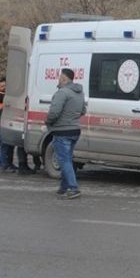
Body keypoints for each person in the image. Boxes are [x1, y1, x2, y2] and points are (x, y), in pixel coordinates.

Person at [45, 68, 86, 199]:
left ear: (63, 78)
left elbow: (54, 112)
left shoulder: (62, 93)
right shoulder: (79, 93)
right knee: (67, 159)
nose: (58, 80)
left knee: (64, 160)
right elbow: (83, 110)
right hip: (75, 130)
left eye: (59, 78)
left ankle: (73, 188)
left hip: (62, 131)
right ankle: (63, 187)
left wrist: (47, 121)